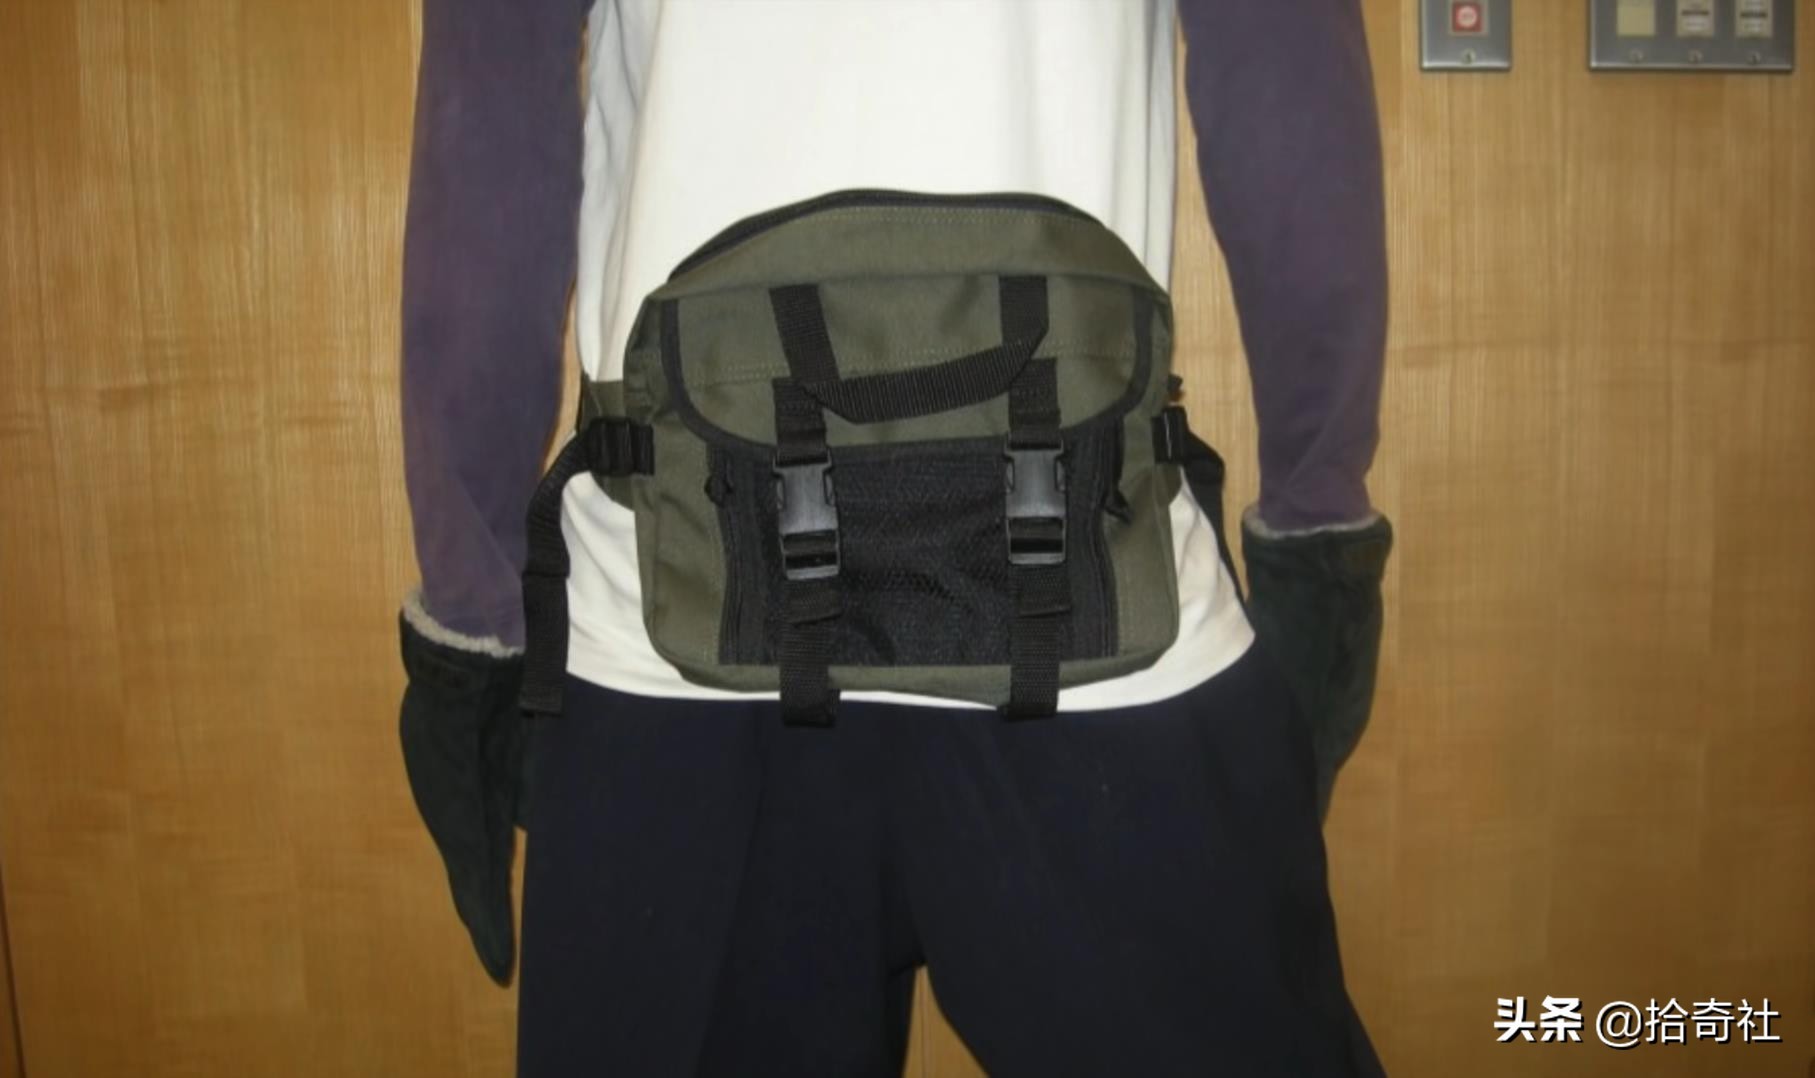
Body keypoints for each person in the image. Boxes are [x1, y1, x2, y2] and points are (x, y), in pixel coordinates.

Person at [396, 2, 1394, 1074]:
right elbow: (1289, 98)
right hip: (1093, 620)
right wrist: (1316, 539)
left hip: (677, 640)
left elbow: (487, 141)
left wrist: (469, 631)